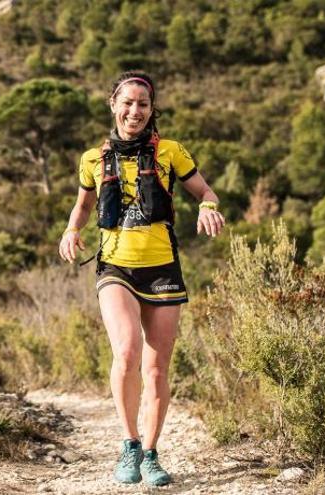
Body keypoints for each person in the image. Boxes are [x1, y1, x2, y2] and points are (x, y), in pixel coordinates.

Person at [57, 71, 225, 486]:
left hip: (163, 268)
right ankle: (129, 443)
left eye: (143, 105)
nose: (135, 111)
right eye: (128, 103)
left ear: (152, 110)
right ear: (113, 105)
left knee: (155, 370)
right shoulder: (92, 159)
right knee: (128, 352)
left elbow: (206, 191)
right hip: (116, 267)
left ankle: (150, 453)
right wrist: (71, 230)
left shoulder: (171, 152)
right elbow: (82, 206)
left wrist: (207, 207)